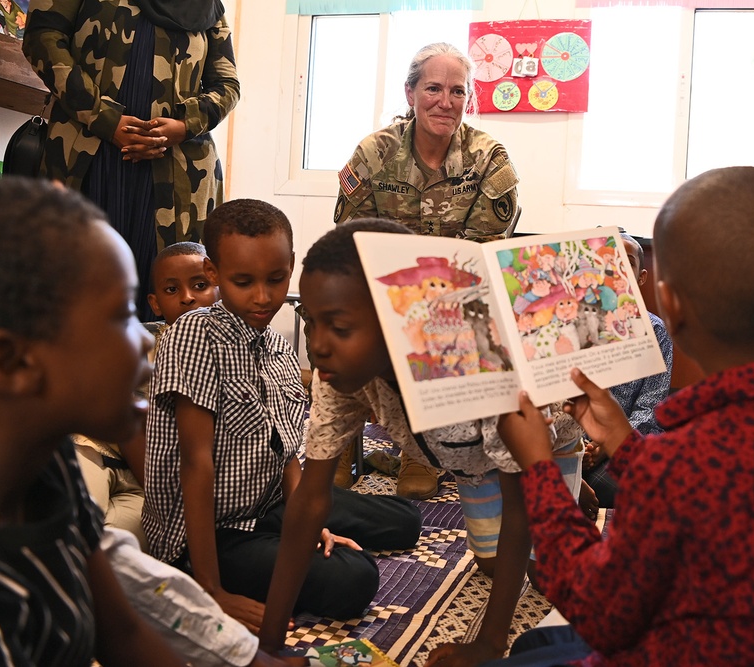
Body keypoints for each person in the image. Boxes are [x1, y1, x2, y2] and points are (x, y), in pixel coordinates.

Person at [490, 166, 754, 665]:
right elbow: (719, 498)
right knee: (535, 645)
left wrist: (541, 470)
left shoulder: (679, 460)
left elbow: (600, 611)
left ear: (667, 304)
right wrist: (626, 443)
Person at [259, 219, 582, 667]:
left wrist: (488, 644)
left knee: (556, 572)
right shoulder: (340, 378)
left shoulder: (482, 364)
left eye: (339, 327)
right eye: (310, 323)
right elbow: (310, 501)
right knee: (492, 563)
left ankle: (577, 501)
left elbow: (523, 499)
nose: (317, 346)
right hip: (469, 461)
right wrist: (268, 644)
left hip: (541, 448)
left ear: (399, 322)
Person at [141, 200, 421, 634]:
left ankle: (276, 543)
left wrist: (306, 524)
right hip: (212, 531)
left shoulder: (277, 347)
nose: (263, 297)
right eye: (243, 282)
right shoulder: (193, 334)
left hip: (266, 501)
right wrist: (212, 590)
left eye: (276, 279)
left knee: (405, 520)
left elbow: (286, 448)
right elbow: (195, 465)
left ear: (291, 266)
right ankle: (204, 574)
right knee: (355, 577)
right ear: (213, 274)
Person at [0, 176, 190, 667]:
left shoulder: (48, 461)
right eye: (123, 313)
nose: (147, 342)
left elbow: (122, 632)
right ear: (14, 360)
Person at [333, 42, 521, 499]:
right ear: (410, 93)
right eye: (433, 88)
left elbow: (483, 255)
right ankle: (338, 444)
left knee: (454, 327)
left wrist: (431, 300)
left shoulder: (488, 159)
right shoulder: (374, 153)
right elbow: (350, 238)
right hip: (382, 289)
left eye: (458, 91)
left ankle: (422, 454)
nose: (445, 101)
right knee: (340, 321)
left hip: (455, 296)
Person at [22, 0, 240, 320]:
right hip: (88, 164)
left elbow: (228, 84)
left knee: (176, 306)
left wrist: (183, 125)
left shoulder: (207, 7)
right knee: (76, 298)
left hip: (178, 179)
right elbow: (42, 37)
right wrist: (104, 118)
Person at [72, 241, 219, 552]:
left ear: (218, 284)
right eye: (171, 290)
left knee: (117, 547)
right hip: (97, 450)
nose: (188, 297)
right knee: (77, 526)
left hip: (150, 487)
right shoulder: (144, 344)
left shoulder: (230, 351)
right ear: (154, 303)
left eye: (200, 285)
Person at [581, 231, 673, 508]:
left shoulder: (654, 331)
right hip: (566, 448)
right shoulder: (568, 322)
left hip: (618, 448)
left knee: (648, 490)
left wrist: (606, 445)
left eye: (626, 262)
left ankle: (569, 488)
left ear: (641, 277)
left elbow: (649, 408)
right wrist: (575, 452)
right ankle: (568, 483)